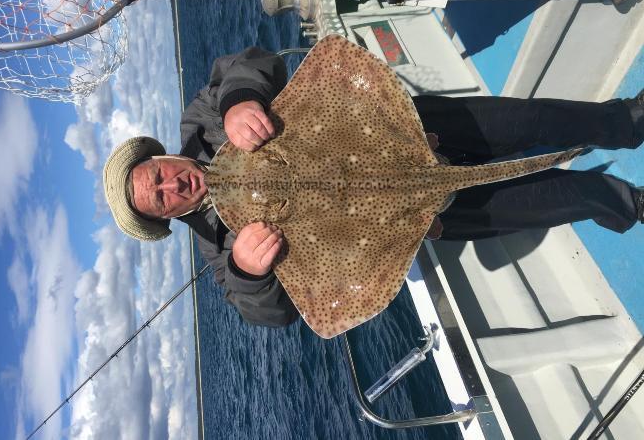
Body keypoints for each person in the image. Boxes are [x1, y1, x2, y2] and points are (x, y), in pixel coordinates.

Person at [103, 47, 644, 328]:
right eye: (163, 200)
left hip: (404, 125)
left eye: (159, 175)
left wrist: (239, 99)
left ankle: (624, 122)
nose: (173, 185)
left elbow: (250, 63)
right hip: (410, 221)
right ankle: (623, 202)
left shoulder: (203, 117)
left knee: (530, 122)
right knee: (545, 201)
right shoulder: (218, 248)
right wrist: (246, 273)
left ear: (159, 154)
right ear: (167, 218)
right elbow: (270, 314)